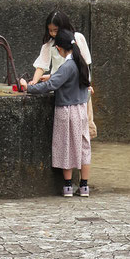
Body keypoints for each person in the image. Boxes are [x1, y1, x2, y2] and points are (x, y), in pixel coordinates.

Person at [27, 29, 92, 197]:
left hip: (66, 110)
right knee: (84, 146)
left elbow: (50, 86)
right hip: (81, 109)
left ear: (59, 49)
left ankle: (68, 186)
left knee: (66, 145)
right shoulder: (81, 63)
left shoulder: (67, 66)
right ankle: (84, 186)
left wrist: (28, 87)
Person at [21, 10, 97, 139]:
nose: (52, 34)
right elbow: (42, 65)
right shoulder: (49, 44)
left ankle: (83, 141)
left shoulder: (77, 38)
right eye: (50, 30)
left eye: (55, 30)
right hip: (60, 84)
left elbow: (84, 64)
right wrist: (35, 80)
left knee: (85, 118)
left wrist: (87, 83)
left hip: (77, 84)